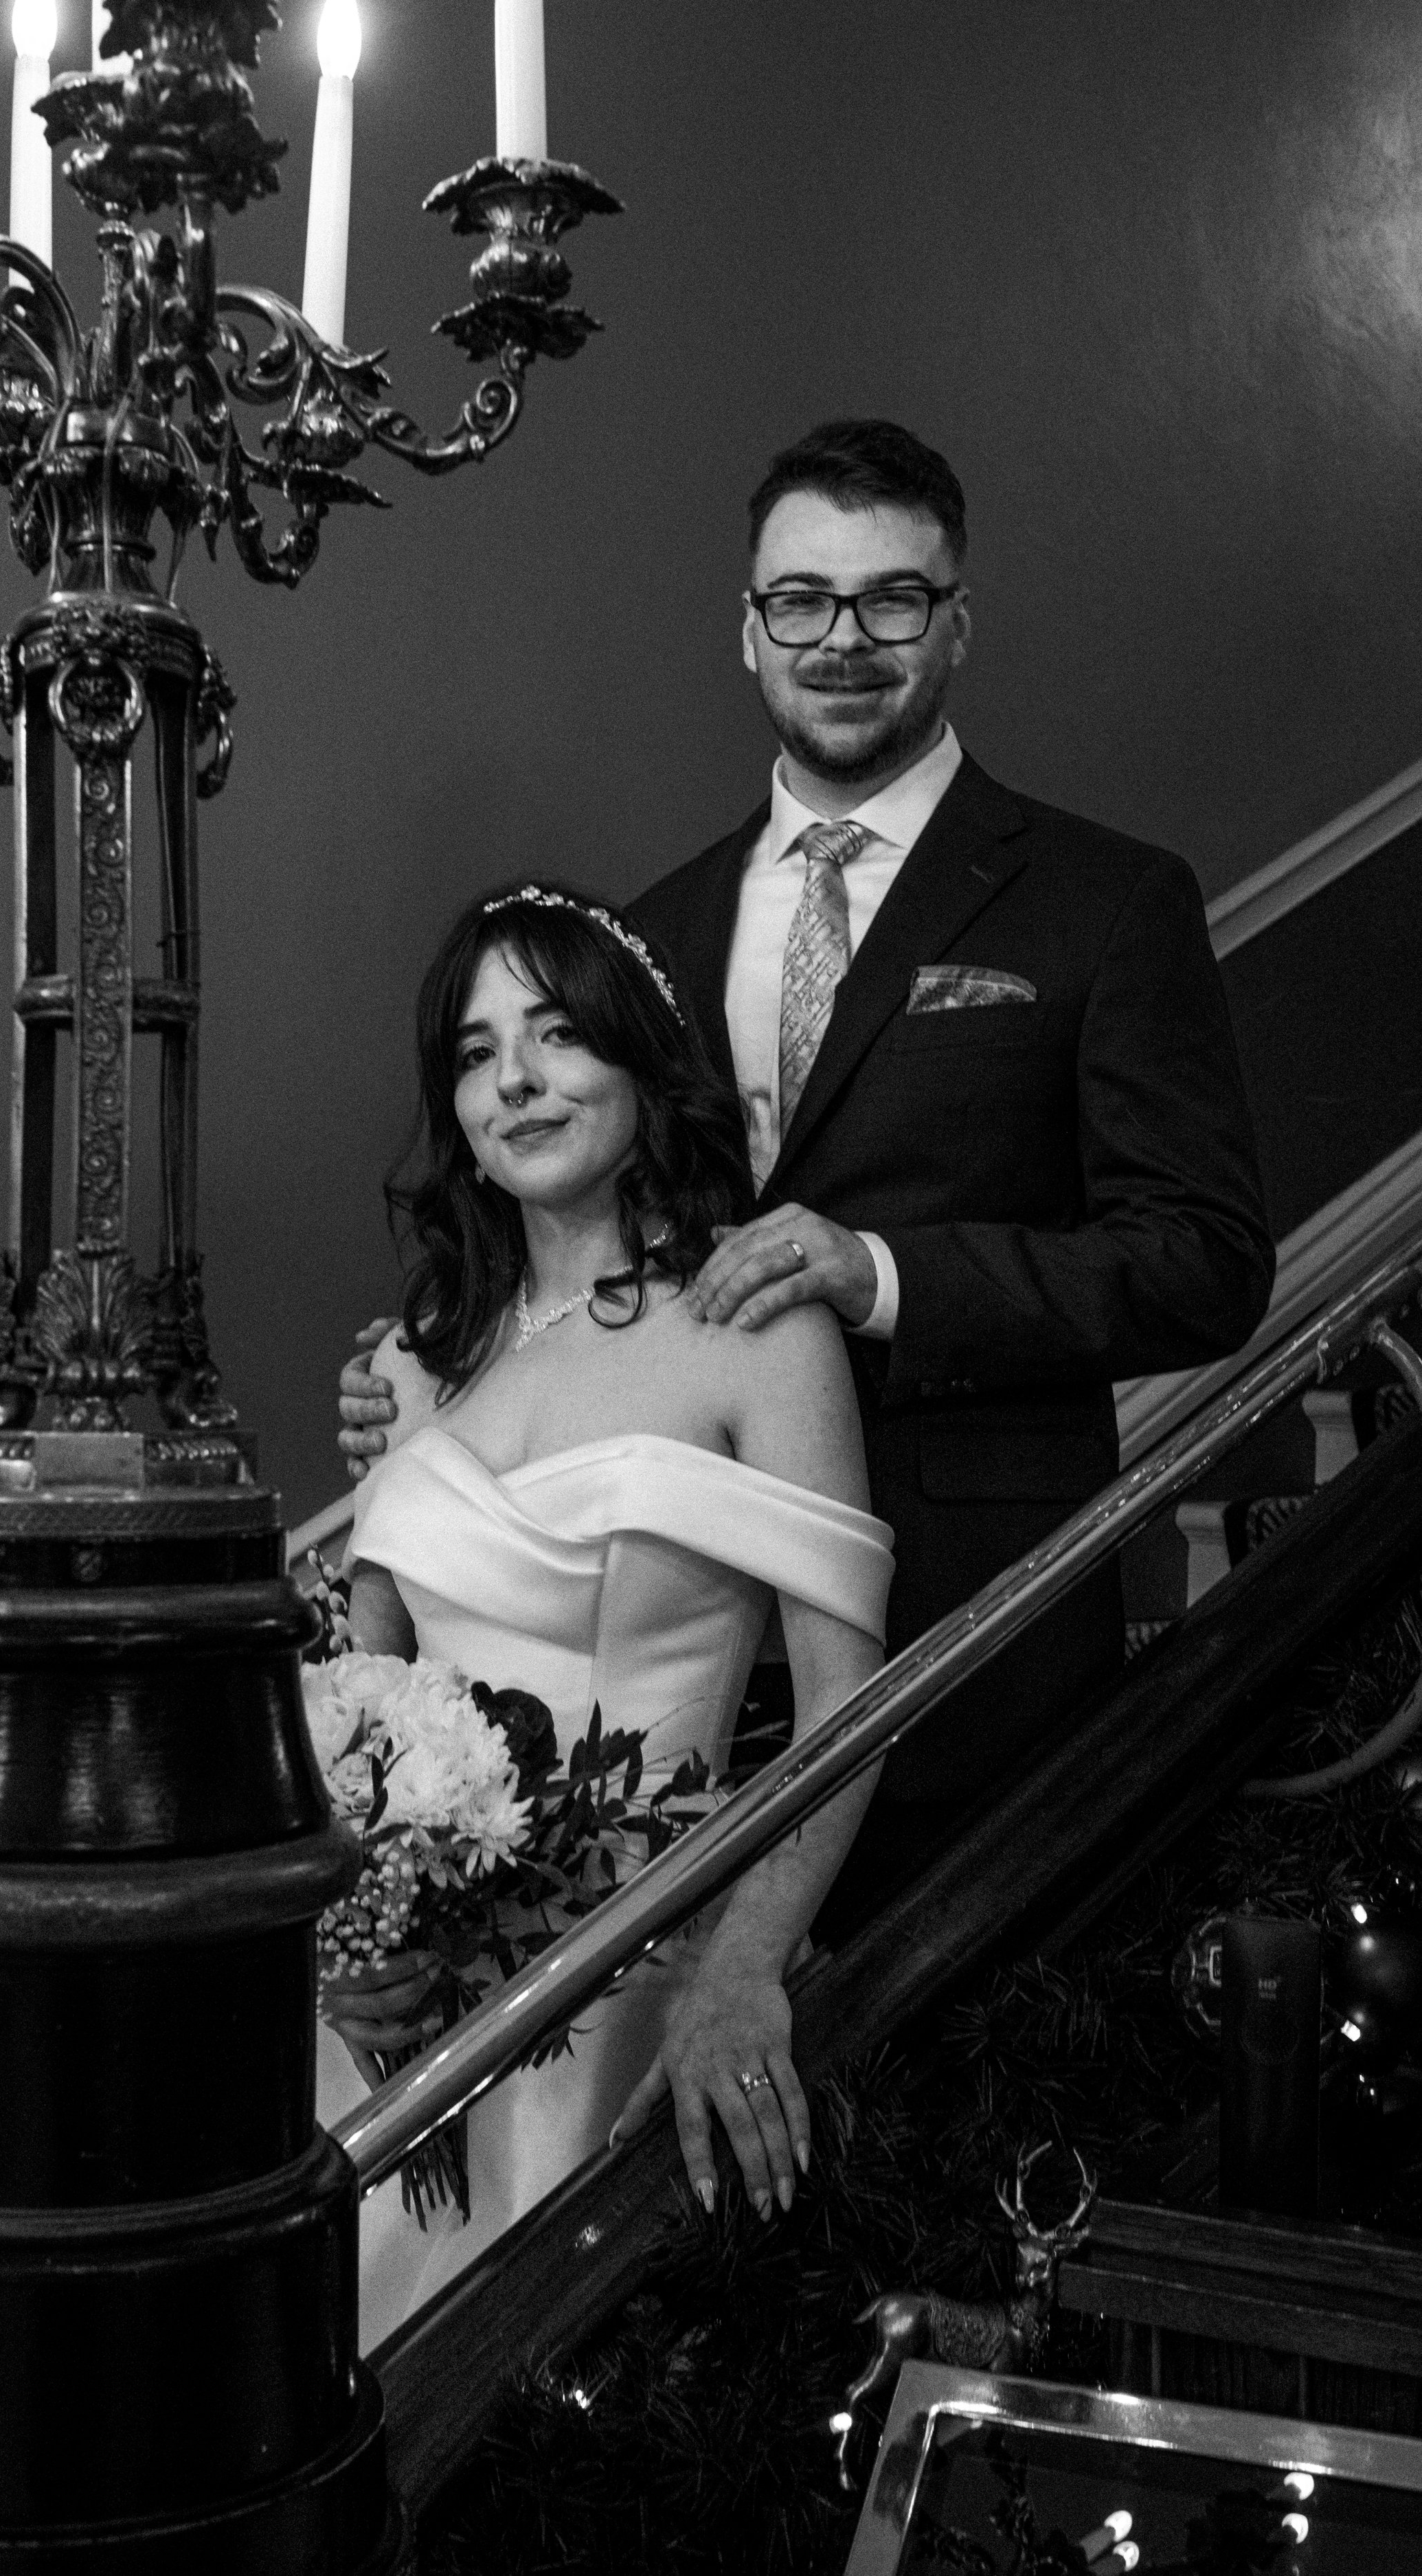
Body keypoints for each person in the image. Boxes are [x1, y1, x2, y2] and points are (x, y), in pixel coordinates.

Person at [341, 418, 1274, 1931]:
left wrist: (883, 1276)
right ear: (747, 629)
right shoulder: (651, 929)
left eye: (890, 599)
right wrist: (448, 1374)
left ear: (955, 620)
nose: (842, 639)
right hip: (653, 1642)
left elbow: (1205, 1259)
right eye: (800, 601)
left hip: (968, 1625)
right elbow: (585, 1220)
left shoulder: (1101, 901)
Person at [316, 883, 894, 2347]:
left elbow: (851, 1700)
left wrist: (746, 1966)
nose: (511, 1079)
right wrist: (347, 1950)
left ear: (643, 1062)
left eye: (558, 1034)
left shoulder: (754, 1324)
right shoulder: (415, 1358)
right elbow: (356, 1712)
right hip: (406, 2021)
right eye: (472, 1051)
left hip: (637, 1983)